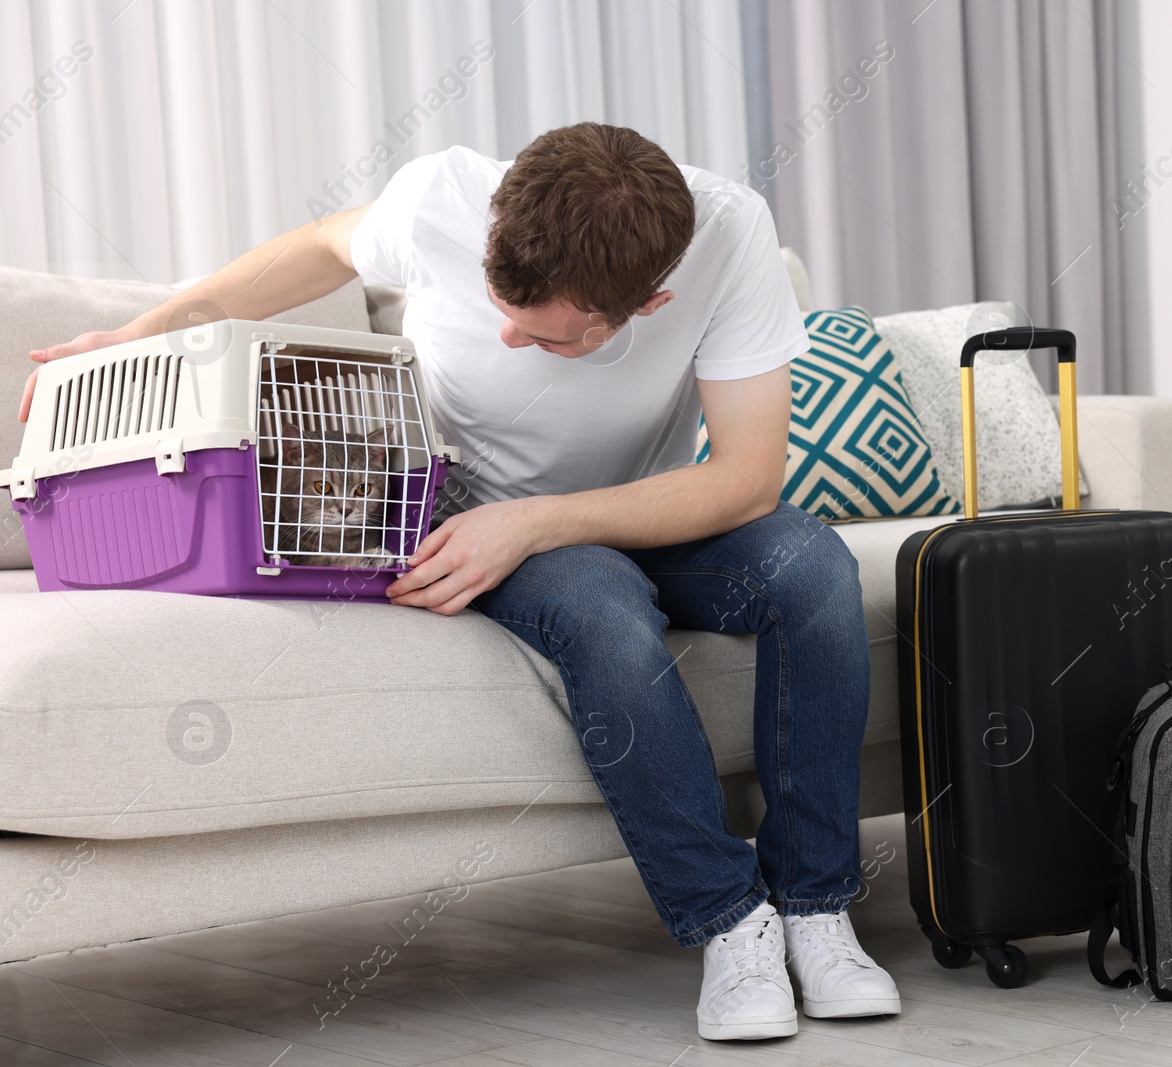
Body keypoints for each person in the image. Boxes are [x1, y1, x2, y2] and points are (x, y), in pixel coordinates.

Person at [18, 122, 898, 1042]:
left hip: (622, 512)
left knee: (815, 569)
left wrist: (540, 517)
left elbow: (748, 478)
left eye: (551, 337)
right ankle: (731, 921)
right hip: (488, 530)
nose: (510, 337)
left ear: (650, 303)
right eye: (499, 304)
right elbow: (317, 247)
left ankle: (815, 908)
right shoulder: (441, 196)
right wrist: (145, 329)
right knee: (600, 606)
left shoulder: (731, 232)